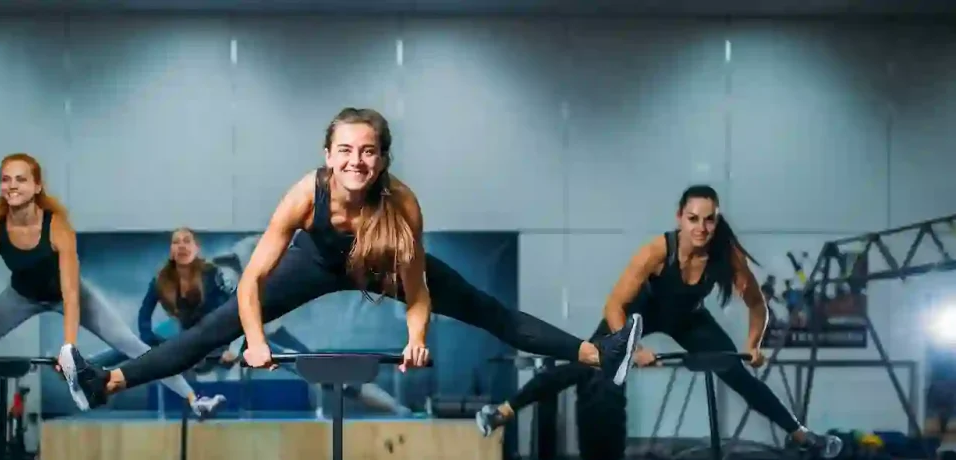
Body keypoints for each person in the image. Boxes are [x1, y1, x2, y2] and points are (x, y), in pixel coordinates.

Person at [63, 107, 642, 409]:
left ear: (383, 158)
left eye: (367, 152)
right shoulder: (303, 194)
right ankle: (105, 383)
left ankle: (599, 354)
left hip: (382, 265)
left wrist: (417, 338)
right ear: (328, 154)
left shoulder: (403, 203)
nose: (356, 162)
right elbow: (250, 282)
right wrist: (258, 339)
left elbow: (418, 292)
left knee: (486, 309)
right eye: (345, 150)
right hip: (313, 262)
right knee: (211, 331)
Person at [474, 184, 843, 460]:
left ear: (717, 220)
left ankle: (800, 435)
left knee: (736, 372)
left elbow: (757, 305)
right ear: (680, 218)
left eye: (709, 219)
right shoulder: (655, 252)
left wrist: (753, 345)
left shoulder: (725, 255)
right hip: (636, 315)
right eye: (693, 219)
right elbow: (614, 305)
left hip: (689, 319)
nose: (701, 227)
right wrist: (632, 349)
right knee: (583, 363)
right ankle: (502, 411)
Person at [0, 153, 223, 430]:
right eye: (5, 179)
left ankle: (195, 400)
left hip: (72, 295)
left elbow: (70, 291)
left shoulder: (58, 229)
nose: (12, 185)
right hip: (20, 298)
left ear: (37, 186)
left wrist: (69, 347)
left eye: (21, 179)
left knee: (132, 346)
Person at [93, 226, 411, 415]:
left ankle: (399, 408)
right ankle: (88, 370)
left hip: (249, 331)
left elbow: (242, 314)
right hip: (206, 330)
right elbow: (152, 329)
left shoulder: (276, 259)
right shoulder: (223, 267)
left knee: (314, 368)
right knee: (139, 346)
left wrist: (233, 344)